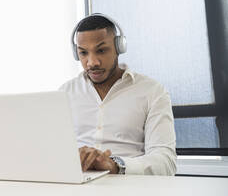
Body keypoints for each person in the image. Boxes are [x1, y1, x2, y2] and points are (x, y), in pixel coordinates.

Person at [59, 13, 176, 175]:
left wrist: (115, 165)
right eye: (83, 53)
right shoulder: (65, 93)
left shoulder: (152, 91)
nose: (92, 62)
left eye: (101, 50)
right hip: (76, 185)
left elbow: (166, 163)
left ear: (119, 47)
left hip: (129, 185)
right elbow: (53, 152)